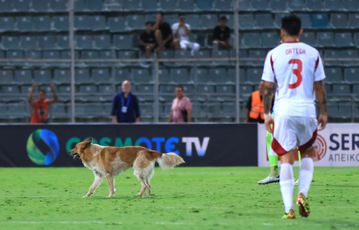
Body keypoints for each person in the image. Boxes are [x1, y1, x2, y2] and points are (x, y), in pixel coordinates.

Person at [261, 14, 327, 219]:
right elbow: (319, 87)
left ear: (281, 31)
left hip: (284, 111)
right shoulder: (313, 53)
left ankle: (288, 208)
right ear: (301, 31)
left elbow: (266, 88)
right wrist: (323, 111)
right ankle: (303, 194)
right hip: (307, 110)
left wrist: (266, 114)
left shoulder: (274, 54)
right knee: (308, 152)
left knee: (286, 158)